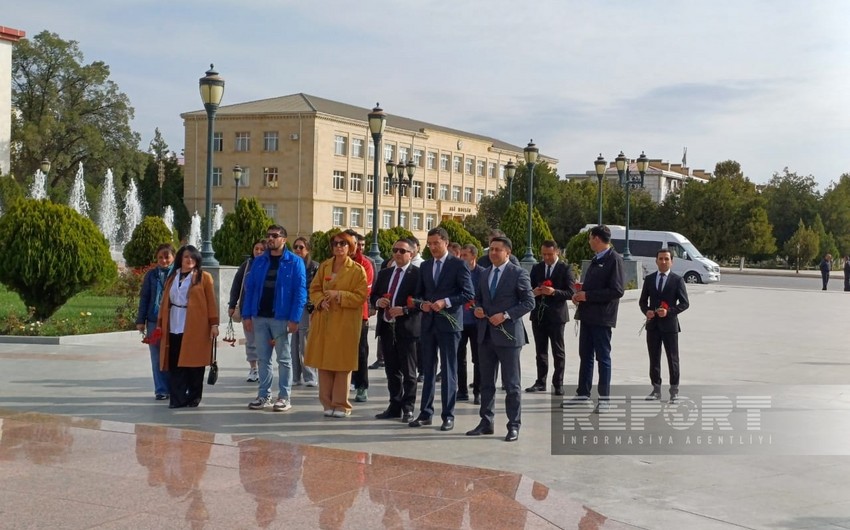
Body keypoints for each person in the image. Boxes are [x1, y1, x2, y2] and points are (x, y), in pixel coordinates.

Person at [467, 236, 534, 442]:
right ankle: (486, 421)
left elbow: (528, 302)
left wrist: (505, 315)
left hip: (509, 336)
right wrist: (477, 308)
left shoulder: (518, 274)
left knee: (511, 384)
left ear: (508, 253)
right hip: (486, 335)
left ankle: (513, 425)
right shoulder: (485, 273)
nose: (493, 253)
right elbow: (478, 298)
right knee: (486, 382)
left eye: (498, 250)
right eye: (491, 249)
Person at [409, 227, 474, 431]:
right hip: (428, 324)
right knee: (427, 370)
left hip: (449, 324)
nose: (433, 247)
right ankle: (426, 413)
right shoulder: (426, 266)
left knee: (448, 370)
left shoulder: (458, 265)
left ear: (446, 242)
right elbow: (417, 295)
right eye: (430, 244)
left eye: (436, 243)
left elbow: (468, 293)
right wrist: (422, 305)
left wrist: (445, 302)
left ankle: (448, 415)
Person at [241, 225, 307, 413]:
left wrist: (294, 318)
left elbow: (300, 292)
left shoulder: (295, 262)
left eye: (275, 236)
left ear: (284, 240)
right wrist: (247, 315)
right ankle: (264, 395)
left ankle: (284, 397)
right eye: (268, 235)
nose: (270, 239)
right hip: (260, 316)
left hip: (281, 318)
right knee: (263, 359)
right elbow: (250, 289)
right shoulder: (259, 261)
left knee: (284, 359)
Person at [305, 232, 368, 418]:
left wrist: (339, 295)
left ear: (350, 247)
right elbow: (314, 289)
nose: (338, 247)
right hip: (324, 320)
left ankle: (341, 404)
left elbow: (360, 296)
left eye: (343, 243)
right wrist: (319, 302)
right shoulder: (324, 266)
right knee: (324, 363)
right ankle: (327, 403)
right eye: (335, 243)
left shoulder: (357, 270)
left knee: (342, 364)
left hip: (345, 322)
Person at [569, 225, 624, 413]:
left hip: (602, 318)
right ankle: (583, 392)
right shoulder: (596, 259)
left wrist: (588, 296)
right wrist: (579, 294)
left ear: (597, 239)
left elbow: (617, 290)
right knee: (585, 355)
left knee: (603, 357)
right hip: (587, 315)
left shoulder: (613, 259)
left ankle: (604, 398)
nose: (589, 242)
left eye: (590, 238)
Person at [157, 245, 219, 409]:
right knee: (175, 363)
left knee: (194, 364)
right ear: (180, 259)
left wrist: (214, 324)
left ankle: (193, 397)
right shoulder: (173, 277)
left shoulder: (204, 277)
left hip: (195, 325)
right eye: (186, 257)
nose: (189, 260)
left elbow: (211, 302)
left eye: (193, 257)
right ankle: (177, 398)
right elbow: (165, 301)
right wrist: (160, 323)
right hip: (174, 323)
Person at [371, 238, 421, 423]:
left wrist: (404, 310)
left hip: (407, 328)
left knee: (408, 372)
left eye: (402, 251)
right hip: (386, 327)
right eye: (395, 250)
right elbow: (373, 295)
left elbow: (421, 300)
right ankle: (394, 405)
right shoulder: (385, 273)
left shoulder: (417, 274)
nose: (398, 254)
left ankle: (408, 408)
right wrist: (378, 302)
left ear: (411, 254)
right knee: (391, 371)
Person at [638, 249, 690, 402]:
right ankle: (656, 389)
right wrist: (646, 311)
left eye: (666, 259)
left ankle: (674, 392)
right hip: (653, 326)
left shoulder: (677, 280)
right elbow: (642, 301)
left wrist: (669, 312)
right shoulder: (649, 279)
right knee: (654, 358)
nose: (663, 262)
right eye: (660, 259)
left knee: (672, 358)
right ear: (656, 261)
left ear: (671, 261)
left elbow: (685, 303)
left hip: (669, 326)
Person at [527, 240, 575, 396]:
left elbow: (570, 292)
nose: (546, 257)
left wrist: (553, 292)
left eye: (549, 254)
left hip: (556, 316)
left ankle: (558, 383)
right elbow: (528, 290)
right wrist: (535, 292)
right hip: (539, 316)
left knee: (558, 351)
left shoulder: (565, 269)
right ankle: (541, 381)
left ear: (557, 252)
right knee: (540, 351)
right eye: (544, 254)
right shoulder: (536, 268)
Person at [136, 243, 176, 401]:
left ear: (173, 257)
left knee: (173, 355)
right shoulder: (151, 275)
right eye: (160, 257)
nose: (164, 260)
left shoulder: (179, 274)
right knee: (156, 356)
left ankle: (174, 387)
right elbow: (144, 297)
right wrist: (141, 320)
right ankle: (161, 389)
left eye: (167, 257)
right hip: (154, 320)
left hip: (174, 320)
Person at [228, 239, 266, 383]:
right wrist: (232, 305)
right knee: (251, 341)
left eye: (262, 249)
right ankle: (253, 368)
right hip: (247, 310)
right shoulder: (247, 265)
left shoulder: (271, 265)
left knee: (263, 342)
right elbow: (236, 285)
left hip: (264, 311)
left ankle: (264, 368)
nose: (258, 252)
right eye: (256, 249)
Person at [345, 230, 374, 403]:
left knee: (360, 351)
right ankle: (344, 383)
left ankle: (362, 386)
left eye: (350, 243)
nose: (345, 247)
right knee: (341, 350)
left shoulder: (365, 264)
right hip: (337, 314)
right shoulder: (334, 263)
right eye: (342, 243)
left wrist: (340, 294)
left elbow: (364, 291)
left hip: (358, 314)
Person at [457, 244, 485, 404]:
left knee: (478, 358)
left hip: (477, 322)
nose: (462, 258)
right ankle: (462, 391)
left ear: (473, 257)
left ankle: (478, 391)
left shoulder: (482, 273)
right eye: (460, 255)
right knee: (459, 358)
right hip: (460, 321)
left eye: (465, 255)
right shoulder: (458, 273)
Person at [290, 236, 319, 387]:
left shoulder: (314, 266)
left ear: (307, 249)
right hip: (292, 308)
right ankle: (295, 376)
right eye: (295, 247)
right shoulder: (290, 265)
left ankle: (310, 375)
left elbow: (316, 288)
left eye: (301, 247)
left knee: (305, 342)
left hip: (307, 308)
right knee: (294, 343)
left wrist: (312, 304)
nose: (298, 250)